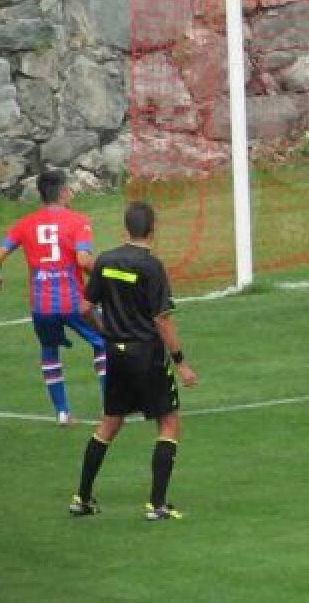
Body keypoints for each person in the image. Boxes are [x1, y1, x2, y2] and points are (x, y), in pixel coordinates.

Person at [69, 201, 197, 521]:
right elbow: (163, 321)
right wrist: (180, 362)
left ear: (124, 230)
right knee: (168, 422)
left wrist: (106, 333)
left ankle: (82, 497)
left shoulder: (105, 261)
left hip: (115, 353)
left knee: (110, 422)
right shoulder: (151, 267)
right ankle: (157, 505)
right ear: (153, 232)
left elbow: (85, 308)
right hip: (146, 354)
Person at [0, 169, 105, 426]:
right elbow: (84, 261)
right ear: (63, 192)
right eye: (70, 188)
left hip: (41, 304)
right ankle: (110, 408)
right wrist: (108, 275)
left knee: (49, 350)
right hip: (73, 300)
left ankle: (62, 413)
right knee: (103, 342)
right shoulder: (78, 221)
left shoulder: (25, 224)